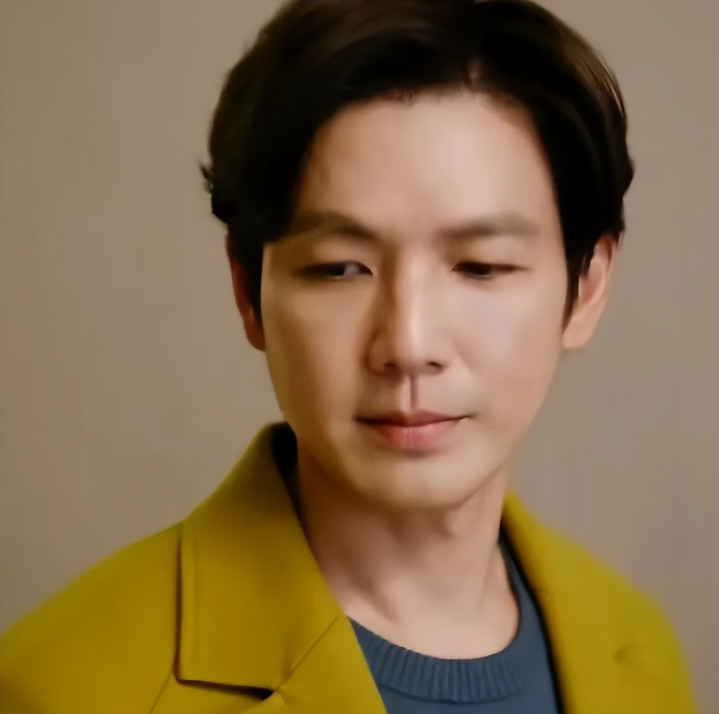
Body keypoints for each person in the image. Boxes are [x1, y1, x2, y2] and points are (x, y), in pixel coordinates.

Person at [0, 0, 697, 712]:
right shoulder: (60, 686)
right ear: (248, 291)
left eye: (481, 266)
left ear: (587, 286)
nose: (409, 345)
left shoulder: (637, 649)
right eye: (339, 268)